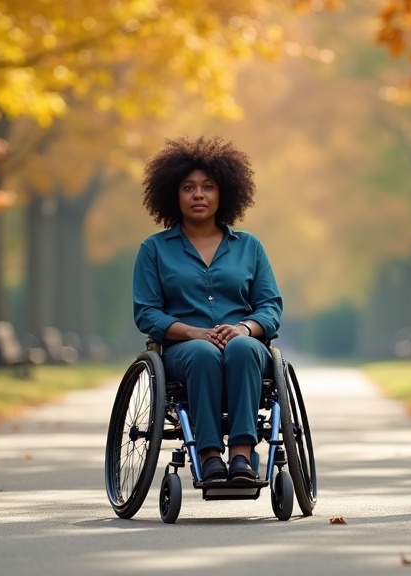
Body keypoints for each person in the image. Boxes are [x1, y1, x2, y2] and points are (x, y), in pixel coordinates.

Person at [132, 136, 283, 484]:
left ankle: (242, 456)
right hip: (183, 352)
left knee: (242, 347)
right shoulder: (154, 250)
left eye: (208, 186)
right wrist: (192, 332)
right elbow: (147, 313)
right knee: (203, 353)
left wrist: (244, 328)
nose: (198, 194)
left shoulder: (250, 247)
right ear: (174, 194)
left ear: (223, 193)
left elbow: (270, 306)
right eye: (188, 188)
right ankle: (209, 456)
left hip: (245, 346)